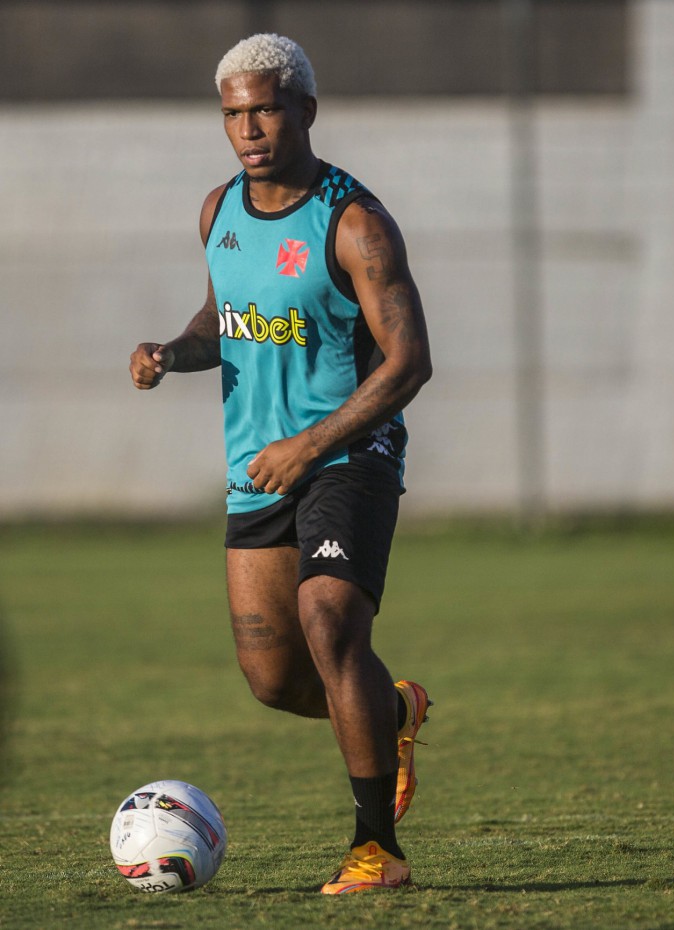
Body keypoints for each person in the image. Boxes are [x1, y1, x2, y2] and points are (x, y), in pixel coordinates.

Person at [129, 33, 432, 894]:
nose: (249, 128)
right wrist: (169, 352)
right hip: (256, 468)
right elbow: (220, 319)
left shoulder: (355, 222)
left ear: (304, 108)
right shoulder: (216, 211)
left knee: (330, 624)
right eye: (233, 113)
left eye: (264, 107)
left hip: (347, 454)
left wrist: (312, 443)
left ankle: (378, 849)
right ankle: (395, 708)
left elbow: (409, 363)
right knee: (273, 679)